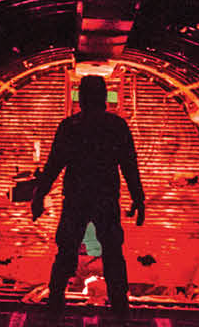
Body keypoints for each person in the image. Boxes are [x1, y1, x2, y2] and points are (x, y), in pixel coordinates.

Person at [33, 74, 147, 311]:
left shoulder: (70, 127)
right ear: (104, 97)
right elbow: (129, 165)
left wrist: (39, 195)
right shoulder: (116, 127)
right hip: (106, 197)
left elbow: (54, 165)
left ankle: (56, 299)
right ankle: (119, 303)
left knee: (66, 248)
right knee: (113, 251)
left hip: (76, 197)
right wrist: (138, 198)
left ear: (80, 98)